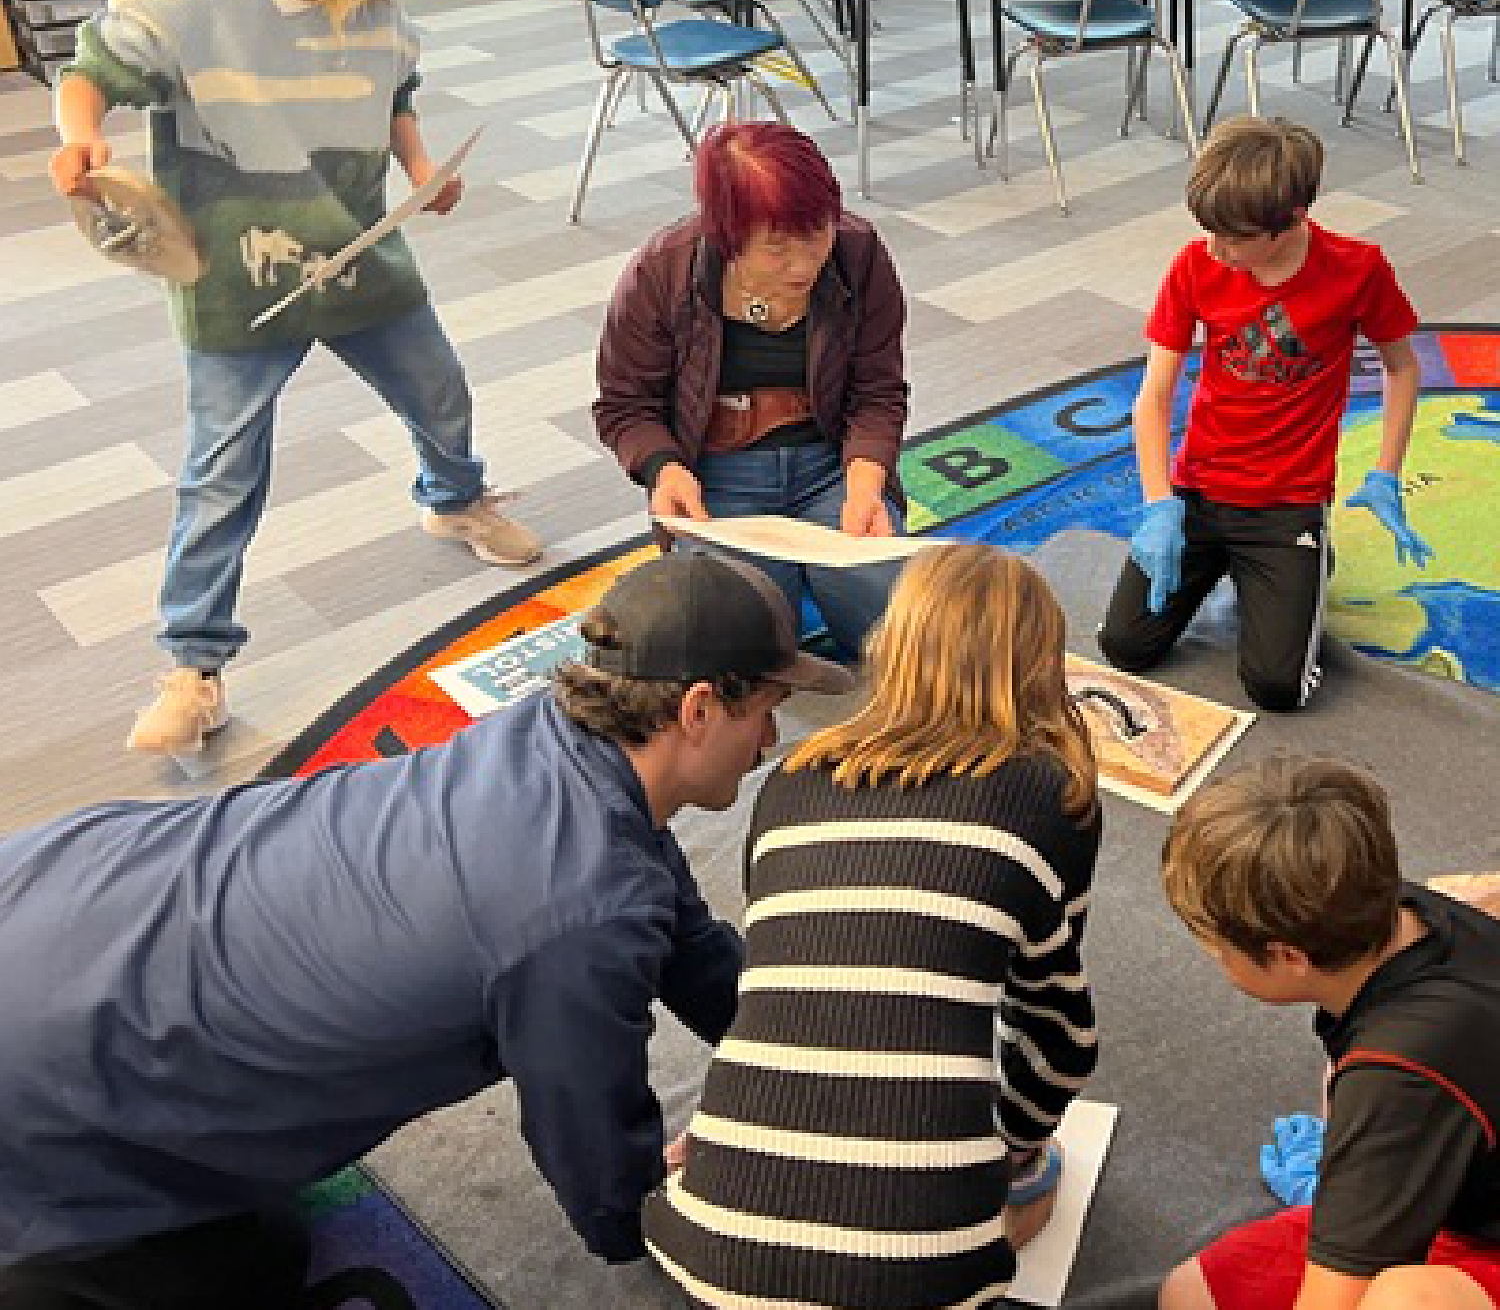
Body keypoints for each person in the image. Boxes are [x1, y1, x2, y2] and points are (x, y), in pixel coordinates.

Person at [0, 549, 853, 1309]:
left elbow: (690, 946)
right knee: (250, 1260)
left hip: (60, 883)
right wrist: (649, 1220)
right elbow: (593, 1151)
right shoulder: (582, 911)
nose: (773, 740)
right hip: (55, 1075)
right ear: (700, 708)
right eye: (766, 709)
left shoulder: (553, 736)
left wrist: (807, 1054)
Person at [48, 0, 542, 759]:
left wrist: (421, 166)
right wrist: (81, 133)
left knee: (439, 390)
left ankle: (453, 499)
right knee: (223, 467)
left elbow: (394, 93)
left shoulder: (377, 2)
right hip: (235, 274)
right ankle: (193, 664)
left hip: (356, 248)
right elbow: (92, 66)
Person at [642, 543, 1102, 1310]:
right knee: (1038, 1194)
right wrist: (1019, 1153)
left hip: (709, 1247)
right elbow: (1059, 1036)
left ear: (892, 642)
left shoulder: (790, 781)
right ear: (1041, 661)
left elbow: (799, 970)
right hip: (917, 1277)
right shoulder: (1051, 792)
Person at [1097, 116, 1431, 712]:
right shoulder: (1196, 265)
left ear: (1289, 222)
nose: (1214, 250)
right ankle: (1232, 563)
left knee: (1278, 688)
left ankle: (1306, 561)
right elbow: (1153, 396)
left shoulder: (1358, 270)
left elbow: (1402, 365)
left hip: (1287, 502)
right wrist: (1158, 505)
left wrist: (1386, 473)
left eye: (1232, 238)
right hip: (1198, 492)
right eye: (1208, 231)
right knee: (1125, 644)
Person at [1158, 755, 1500, 1310]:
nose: (1218, 962)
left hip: (1474, 1236)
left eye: (1218, 949)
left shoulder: (1399, 1075)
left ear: (1289, 955)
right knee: (1192, 1295)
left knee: (1404, 1301)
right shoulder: (1391, 906)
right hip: (1457, 1189)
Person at [594, 120, 910, 661]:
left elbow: (878, 391)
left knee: (897, 625)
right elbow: (625, 406)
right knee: (742, 642)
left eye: (815, 234)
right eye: (776, 248)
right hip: (717, 478)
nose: (803, 264)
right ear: (727, 235)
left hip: (830, 464)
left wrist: (865, 485)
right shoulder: (663, 269)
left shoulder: (858, 253)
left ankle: (825, 571)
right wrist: (664, 470)